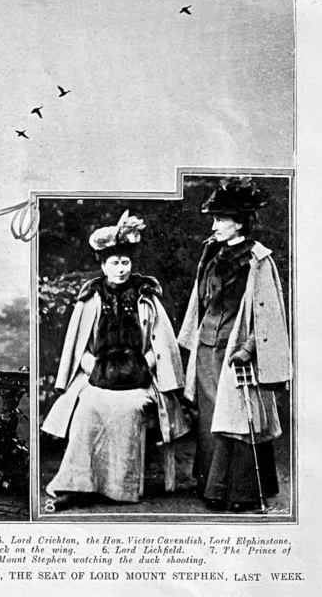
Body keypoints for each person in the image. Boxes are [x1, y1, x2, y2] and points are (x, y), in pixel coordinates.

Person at [42, 212, 188, 506]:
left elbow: (161, 346)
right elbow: (78, 346)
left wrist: (141, 367)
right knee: (87, 407)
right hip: (97, 375)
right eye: (114, 263)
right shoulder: (90, 298)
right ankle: (78, 484)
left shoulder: (146, 297)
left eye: (125, 262)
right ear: (103, 265)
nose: (120, 269)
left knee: (131, 409)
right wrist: (93, 367)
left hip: (140, 379)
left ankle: (121, 487)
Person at [178, 180, 290, 512]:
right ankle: (211, 488)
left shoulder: (258, 258)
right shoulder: (211, 251)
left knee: (238, 418)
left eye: (220, 219)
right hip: (207, 348)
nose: (213, 226)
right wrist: (194, 339)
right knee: (209, 418)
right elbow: (200, 299)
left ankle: (239, 493)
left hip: (236, 350)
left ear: (239, 221)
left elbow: (269, 311)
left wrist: (250, 347)